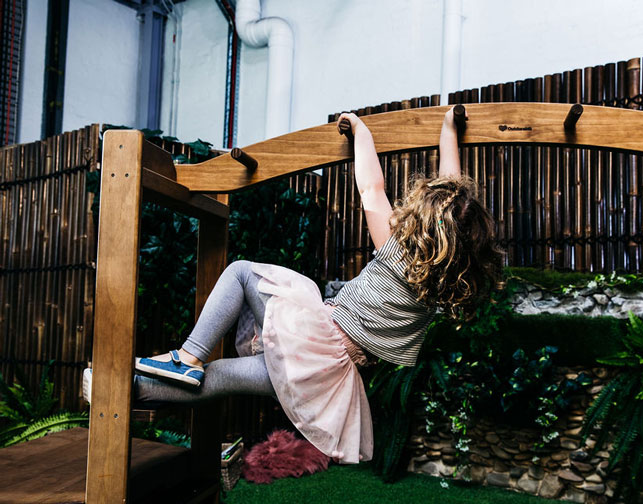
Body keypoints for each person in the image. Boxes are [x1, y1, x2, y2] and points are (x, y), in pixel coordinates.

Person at [83, 106, 504, 464]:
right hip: (328, 375)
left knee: (244, 272)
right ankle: (128, 389)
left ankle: (187, 355)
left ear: (423, 225)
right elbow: (453, 207)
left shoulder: (397, 251)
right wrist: (450, 131)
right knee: (219, 379)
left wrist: (361, 130)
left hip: (314, 336)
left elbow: (371, 188)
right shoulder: (442, 286)